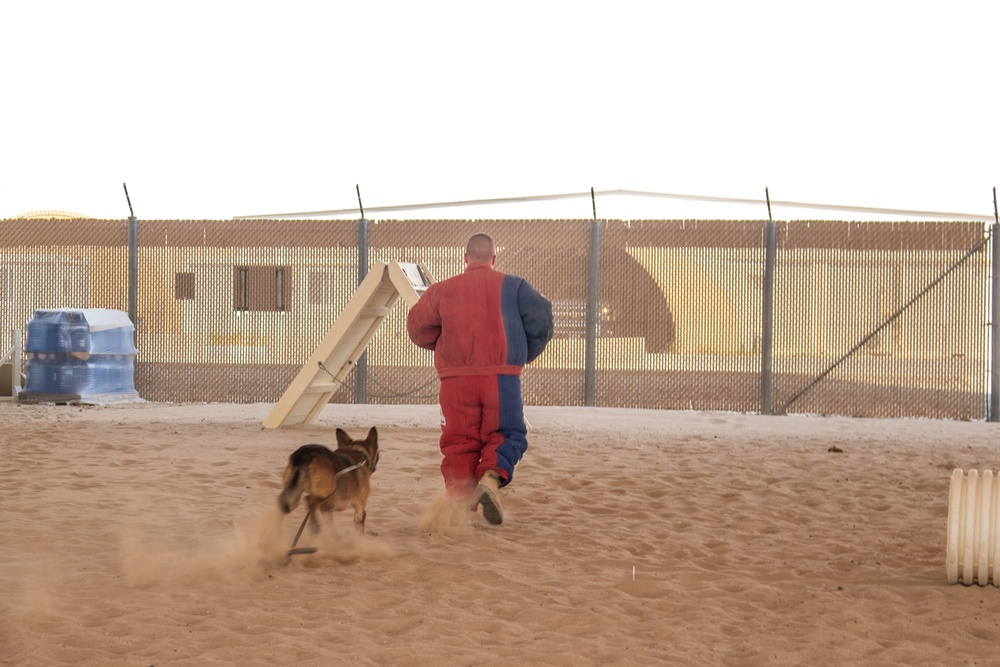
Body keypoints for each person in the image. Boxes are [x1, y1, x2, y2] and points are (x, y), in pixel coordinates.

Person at [406, 232, 553, 525]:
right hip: (502, 377)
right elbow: (543, 319)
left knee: (459, 442)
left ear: (465, 259)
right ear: (494, 259)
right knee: (507, 433)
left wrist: (443, 346)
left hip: (456, 380)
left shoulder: (441, 290)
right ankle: (489, 478)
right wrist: (524, 353)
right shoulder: (514, 287)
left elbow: (416, 326)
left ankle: (456, 512)